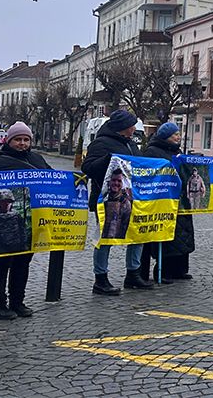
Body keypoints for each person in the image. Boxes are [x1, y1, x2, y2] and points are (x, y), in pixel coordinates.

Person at [0, 121, 47, 319]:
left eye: (26, 140)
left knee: (22, 263)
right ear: (8, 141)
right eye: (18, 139)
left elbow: (54, 180)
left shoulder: (37, 159)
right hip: (0, 227)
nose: (22, 143)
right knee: (0, 265)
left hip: (28, 221)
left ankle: (17, 302)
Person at [82, 109, 150, 295]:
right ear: (123, 127)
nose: (134, 129)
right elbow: (87, 167)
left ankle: (133, 273)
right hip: (107, 200)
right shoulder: (101, 143)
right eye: (131, 125)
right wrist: (108, 160)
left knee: (137, 235)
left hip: (131, 198)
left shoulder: (131, 144)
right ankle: (100, 278)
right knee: (106, 238)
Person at [139, 122, 194, 283]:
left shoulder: (177, 152)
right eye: (175, 135)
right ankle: (164, 270)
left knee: (183, 234)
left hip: (180, 198)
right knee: (167, 234)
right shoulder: (152, 151)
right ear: (166, 137)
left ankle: (179, 269)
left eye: (178, 134)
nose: (178, 137)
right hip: (163, 198)